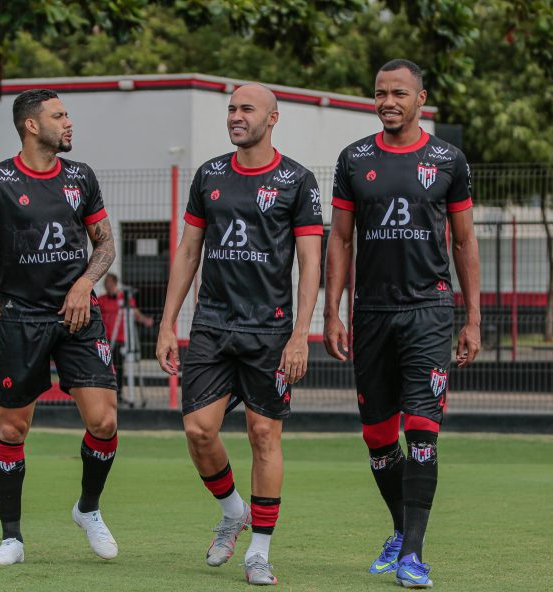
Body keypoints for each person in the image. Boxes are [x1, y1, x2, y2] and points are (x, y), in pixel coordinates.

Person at [156, 83, 323, 586]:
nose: (235, 116)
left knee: (263, 435)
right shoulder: (209, 175)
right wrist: (168, 323)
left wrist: (301, 334)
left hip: (270, 331)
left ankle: (259, 552)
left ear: (272, 119)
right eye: (231, 109)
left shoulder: (298, 180)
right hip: (211, 324)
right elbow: (188, 252)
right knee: (198, 430)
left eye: (246, 109)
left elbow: (311, 262)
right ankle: (232, 510)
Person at [323, 59, 480, 589]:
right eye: (380, 93)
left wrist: (473, 319)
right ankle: (398, 530)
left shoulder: (448, 159)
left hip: (429, 311)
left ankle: (413, 553)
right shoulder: (354, 158)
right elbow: (340, 239)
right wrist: (333, 310)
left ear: (420, 99)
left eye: (399, 93)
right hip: (370, 313)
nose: (388, 101)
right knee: (377, 436)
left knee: (422, 429)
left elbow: (463, 241)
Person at [0, 89, 121, 566]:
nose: (69, 123)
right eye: (59, 115)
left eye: (67, 114)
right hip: (22, 317)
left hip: (77, 314)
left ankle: (88, 509)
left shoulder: (80, 177)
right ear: (31, 125)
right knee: (12, 429)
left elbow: (105, 244)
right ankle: (12, 538)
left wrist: (85, 283)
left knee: (105, 421)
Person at [99, 273, 154, 403]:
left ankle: (118, 394)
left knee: (118, 367)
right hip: (105, 340)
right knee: (105, 367)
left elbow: (134, 313)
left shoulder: (124, 299)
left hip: (120, 339)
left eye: (110, 283)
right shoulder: (101, 300)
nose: (107, 286)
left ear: (115, 283)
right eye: (106, 283)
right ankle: (105, 394)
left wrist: (145, 320)